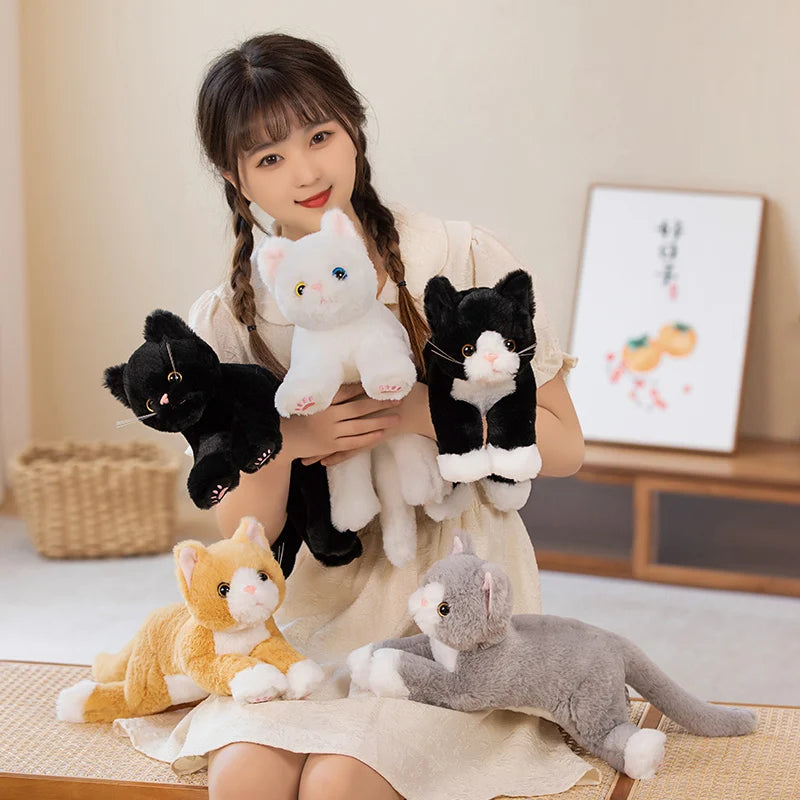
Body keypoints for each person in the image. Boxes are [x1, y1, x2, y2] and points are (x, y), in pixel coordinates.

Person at [117, 32, 590, 800]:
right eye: (268, 158)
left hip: (456, 591)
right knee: (245, 776)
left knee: (343, 781)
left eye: (320, 136)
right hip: (315, 599)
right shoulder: (232, 315)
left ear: (354, 128)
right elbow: (240, 531)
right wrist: (295, 440)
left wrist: (417, 410)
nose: (304, 171)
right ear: (234, 178)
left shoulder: (459, 255)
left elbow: (566, 447)